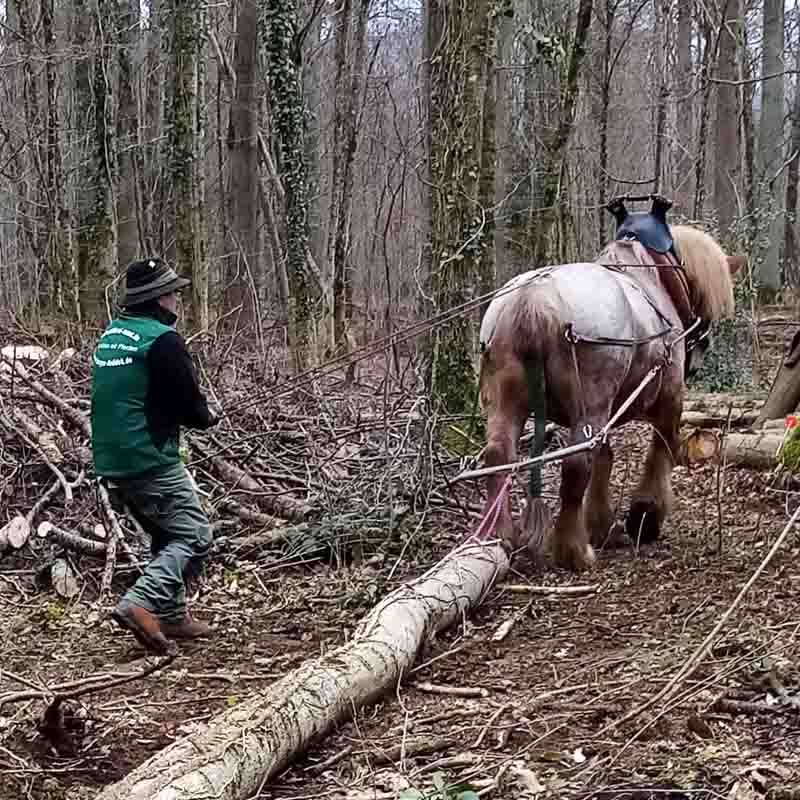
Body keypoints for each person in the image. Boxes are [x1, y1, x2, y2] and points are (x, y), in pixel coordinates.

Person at [91, 258, 219, 655]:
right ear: (159, 299)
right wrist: (207, 416)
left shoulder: (114, 334)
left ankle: (172, 615)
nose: (177, 298)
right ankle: (140, 603)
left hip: (112, 459)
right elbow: (190, 406)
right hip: (148, 459)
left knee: (166, 534)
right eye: (173, 291)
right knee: (195, 533)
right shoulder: (162, 340)